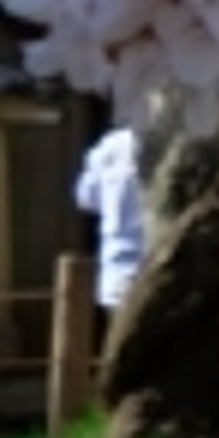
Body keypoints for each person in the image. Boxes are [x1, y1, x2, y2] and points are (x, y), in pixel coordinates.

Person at [73, 124, 145, 319]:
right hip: (161, 272)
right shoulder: (181, 144)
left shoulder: (109, 147)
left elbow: (86, 198)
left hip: (117, 275)